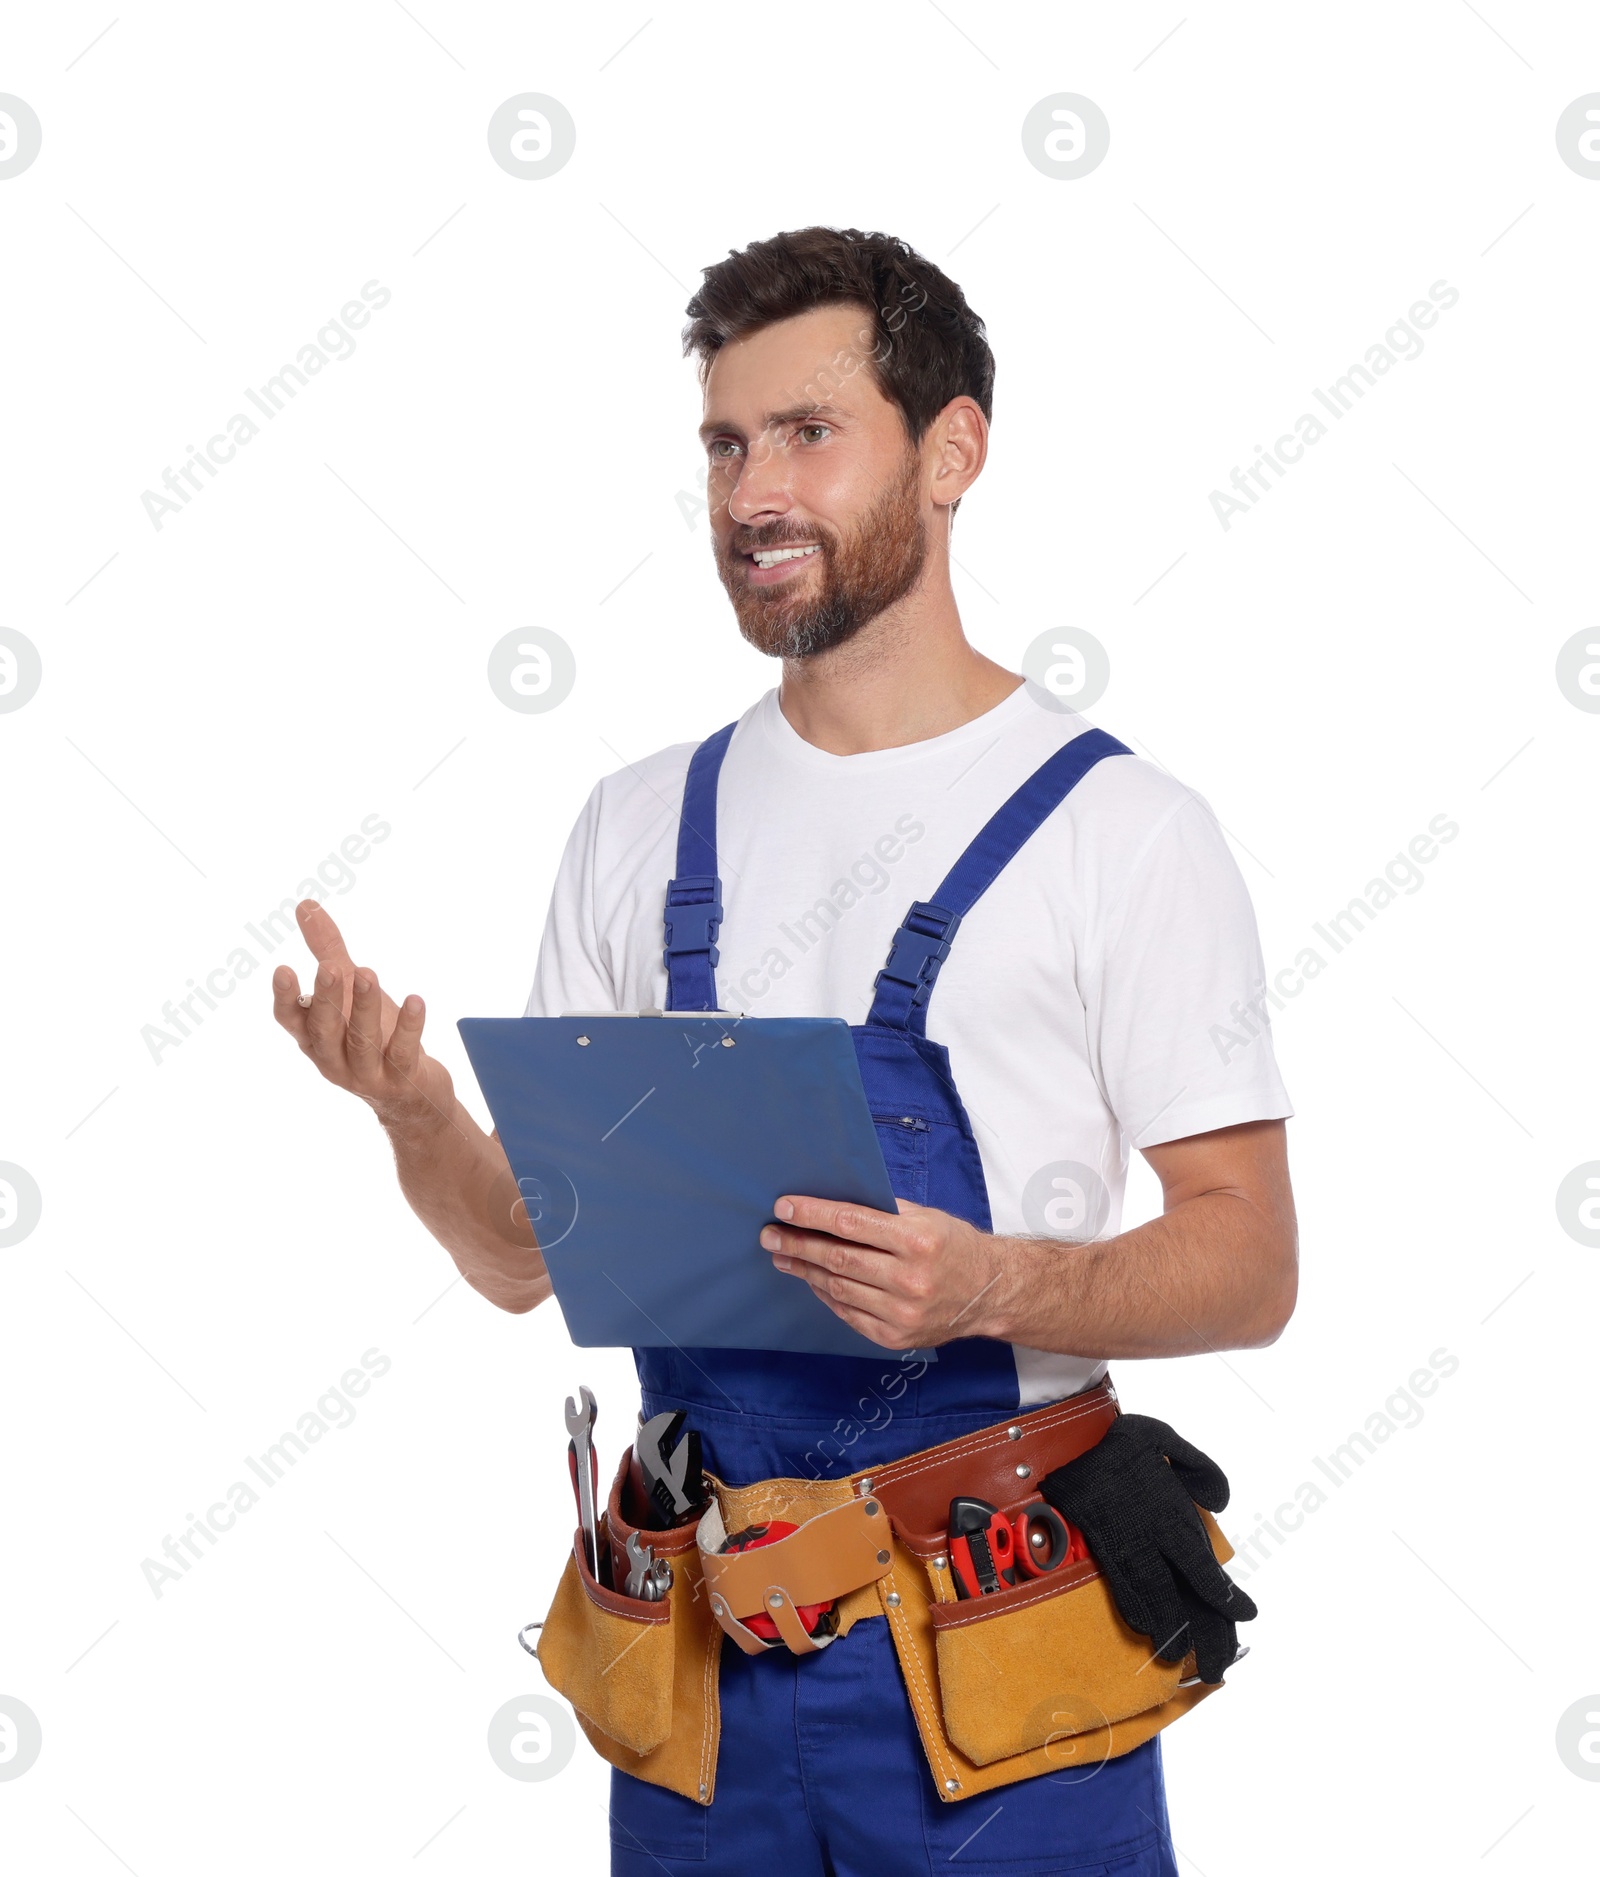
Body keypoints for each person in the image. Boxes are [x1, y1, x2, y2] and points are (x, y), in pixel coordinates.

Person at [273, 226, 1297, 1876]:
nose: (752, 491)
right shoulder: (635, 828)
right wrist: (411, 1113)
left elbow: (1250, 1266)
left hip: (996, 1667)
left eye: (808, 434)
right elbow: (530, 1260)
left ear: (954, 447)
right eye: (725, 444)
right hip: (702, 1660)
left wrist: (992, 1287)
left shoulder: (1119, 834)